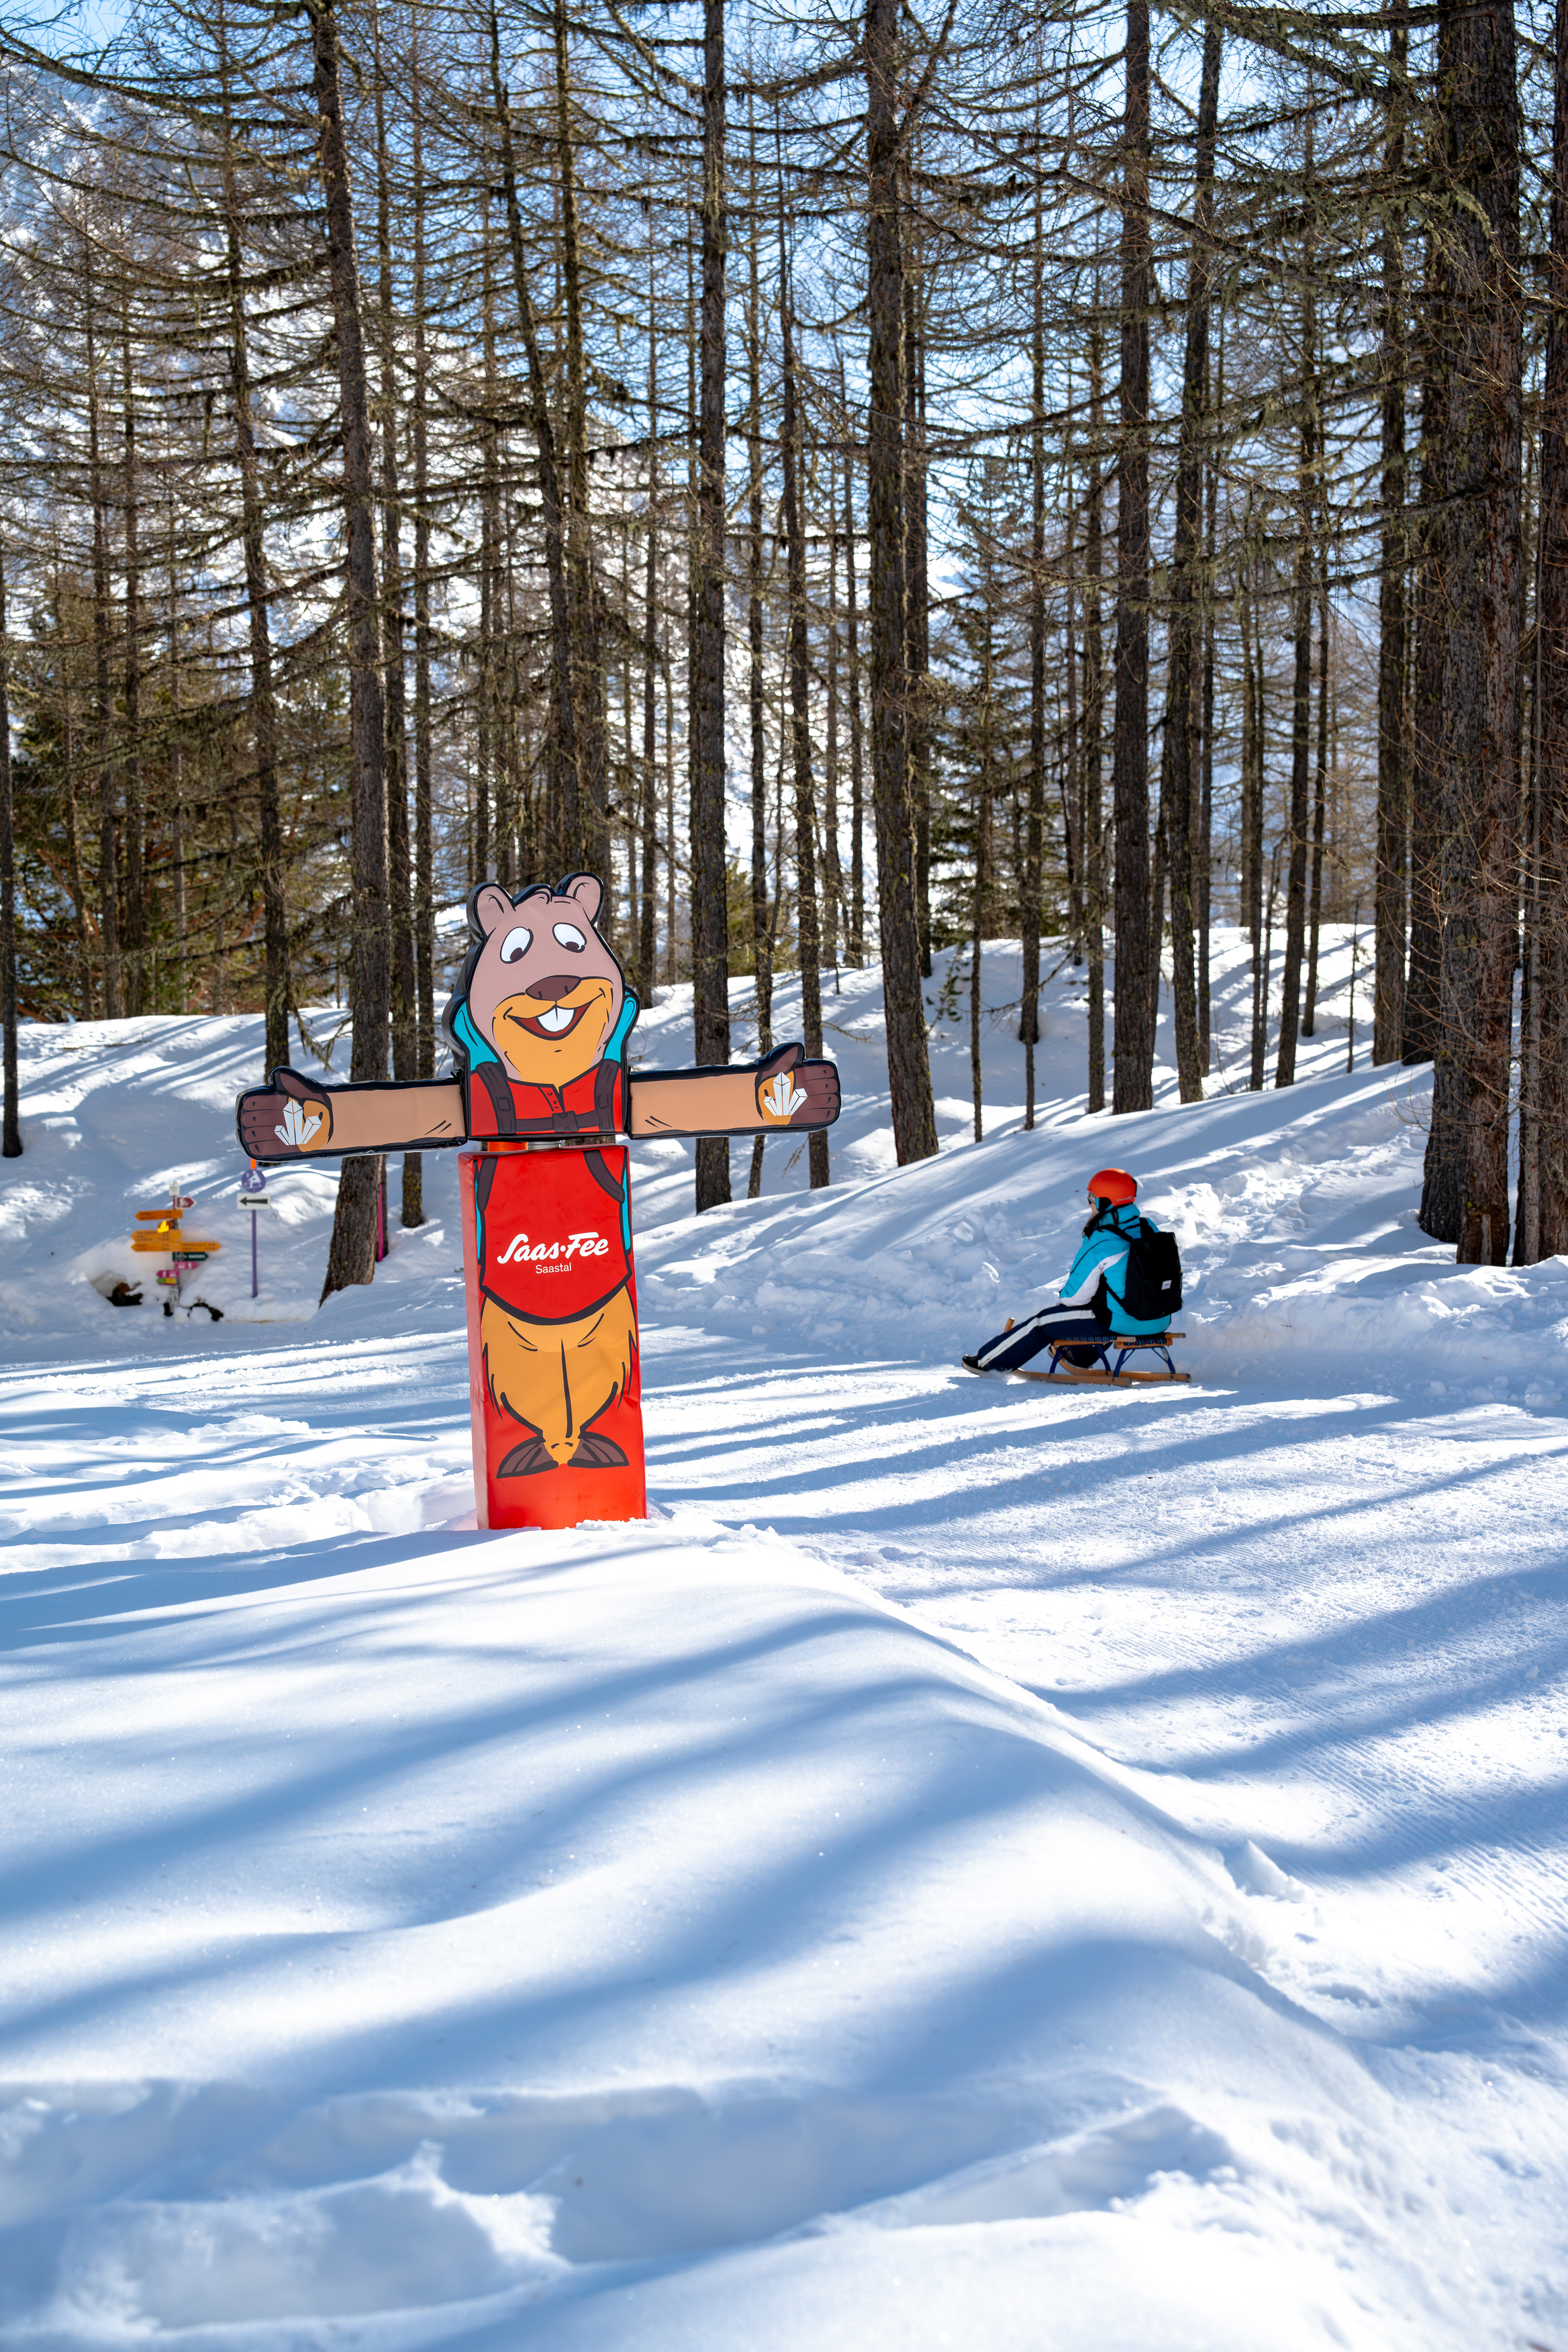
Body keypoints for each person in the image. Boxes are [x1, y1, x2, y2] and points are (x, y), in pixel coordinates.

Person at [963, 1167, 1171, 1375]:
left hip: (1121, 1323)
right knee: (1105, 1307)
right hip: (1158, 1320)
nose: (1089, 1203)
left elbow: (1075, 1296)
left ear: (1106, 1202)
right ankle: (1077, 1358)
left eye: (1092, 1197)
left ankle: (986, 1362)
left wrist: (1061, 1309)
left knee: (1042, 1322)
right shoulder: (1148, 1227)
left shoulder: (1104, 1238)